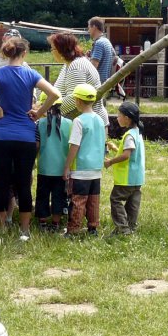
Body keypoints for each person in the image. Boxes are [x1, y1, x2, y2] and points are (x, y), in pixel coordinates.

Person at [0, 37, 60, 241]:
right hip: (25, 136)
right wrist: (40, 112)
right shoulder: (30, 73)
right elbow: (54, 93)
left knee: (1, 183)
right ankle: (24, 231)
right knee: (24, 184)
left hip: (1, 135)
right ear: (24, 54)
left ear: (6, 54)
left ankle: (1, 229)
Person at [63, 84, 106, 237]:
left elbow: (74, 145)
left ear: (78, 101)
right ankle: (93, 228)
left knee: (78, 201)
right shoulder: (100, 120)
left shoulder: (78, 121)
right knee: (93, 200)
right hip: (96, 169)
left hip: (81, 169)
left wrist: (67, 166)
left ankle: (73, 229)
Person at [49, 32, 109, 127]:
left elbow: (74, 99)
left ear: (61, 50)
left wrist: (48, 109)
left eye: (53, 49)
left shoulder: (76, 66)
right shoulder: (68, 65)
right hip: (83, 123)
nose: (51, 51)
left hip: (90, 125)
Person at [104, 102, 145, 235]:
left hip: (126, 177)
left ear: (127, 118)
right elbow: (132, 152)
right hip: (137, 177)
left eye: (119, 115)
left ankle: (123, 228)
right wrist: (116, 148)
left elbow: (126, 155)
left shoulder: (129, 135)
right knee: (133, 202)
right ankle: (131, 227)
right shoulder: (137, 133)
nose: (117, 118)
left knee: (115, 199)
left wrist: (110, 161)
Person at [34, 92, 72, 232]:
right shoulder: (69, 123)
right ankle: (56, 223)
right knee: (59, 195)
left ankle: (42, 222)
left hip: (44, 167)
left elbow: (36, 145)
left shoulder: (39, 124)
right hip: (62, 168)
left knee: (42, 195)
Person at [87, 16, 114, 84]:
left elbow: (92, 68)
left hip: (98, 84)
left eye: (89, 27)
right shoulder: (106, 41)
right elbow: (113, 56)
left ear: (94, 27)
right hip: (105, 82)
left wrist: (86, 59)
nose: (88, 30)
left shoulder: (99, 43)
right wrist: (92, 54)